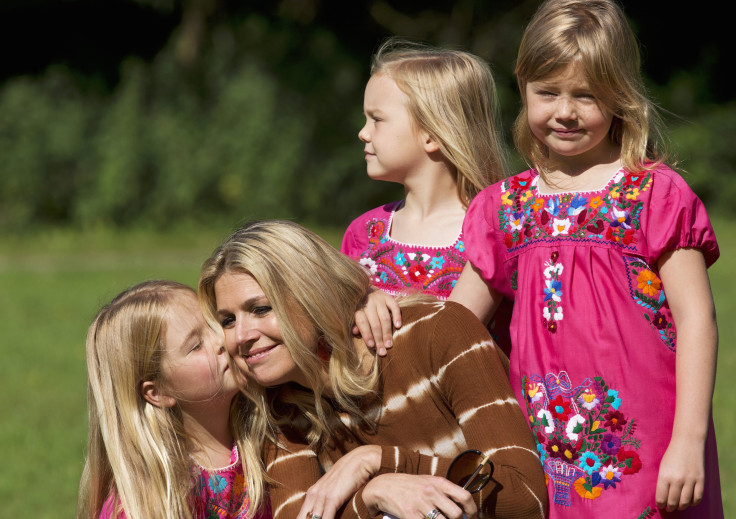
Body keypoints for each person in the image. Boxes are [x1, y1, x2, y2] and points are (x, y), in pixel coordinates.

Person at [448, 0, 723, 517]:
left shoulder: (655, 195)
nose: (565, 111)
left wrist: (688, 441)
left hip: (647, 447)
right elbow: (455, 325)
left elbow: (697, 321)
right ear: (523, 86)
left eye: (586, 96)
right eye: (547, 93)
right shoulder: (505, 208)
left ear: (620, 96)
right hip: (542, 449)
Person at [198, 220, 547, 519]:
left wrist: (375, 460)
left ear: (310, 293)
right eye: (227, 320)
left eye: (260, 309)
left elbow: (525, 499)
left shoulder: (438, 333)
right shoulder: (277, 408)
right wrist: (372, 494)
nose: (241, 336)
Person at [340, 38, 513, 356]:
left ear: (432, 134)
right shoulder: (362, 233)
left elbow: (453, 344)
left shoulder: (489, 233)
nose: (363, 133)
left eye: (377, 119)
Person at [77, 280, 271, 519]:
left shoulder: (270, 432)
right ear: (158, 392)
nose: (221, 340)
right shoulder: (144, 505)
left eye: (214, 324)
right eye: (196, 346)